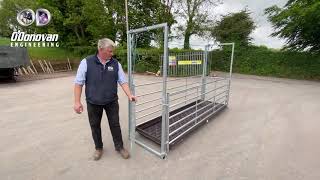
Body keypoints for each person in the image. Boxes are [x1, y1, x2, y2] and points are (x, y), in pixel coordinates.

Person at [73, 38, 137, 160]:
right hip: (93, 102)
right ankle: (98, 148)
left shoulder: (115, 64)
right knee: (95, 126)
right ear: (100, 49)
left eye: (112, 51)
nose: (112, 54)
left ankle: (119, 147)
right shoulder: (86, 62)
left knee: (115, 124)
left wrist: (130, 95)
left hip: (111, 101)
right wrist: (77, 102)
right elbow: (78, 83)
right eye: (110, 51)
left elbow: (123, 81)